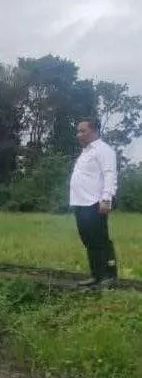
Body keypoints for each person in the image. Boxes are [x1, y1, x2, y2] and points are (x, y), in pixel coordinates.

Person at [70, 119, 119, 289]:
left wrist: (106, 198)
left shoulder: (103, 150)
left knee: (100, 240)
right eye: (78, 131)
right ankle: (97, 275)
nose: (79, 135)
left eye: (82, 131)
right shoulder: (86, 152)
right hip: (81, 203)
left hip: (95, 202)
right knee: (88, 240)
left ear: (94, 131)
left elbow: (109, 175)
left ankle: (109, 276)